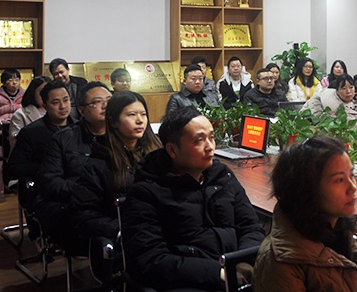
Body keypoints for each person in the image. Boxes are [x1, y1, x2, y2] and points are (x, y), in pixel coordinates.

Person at [123, 106, 265, 291]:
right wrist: (217, 273)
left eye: (211, 137)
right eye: (199, 140)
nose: (210, 147)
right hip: (188, 282)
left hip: (235, 272)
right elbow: (149, 259)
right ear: (172, 150)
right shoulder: (146, 192)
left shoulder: (222, 176)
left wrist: (243, 261)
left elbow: (251, 227)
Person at [254, 136, 357, 291]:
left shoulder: (356, 232)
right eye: (339, 180)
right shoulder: (280, 262)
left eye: (351, 175)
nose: (353, 187)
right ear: (306, 190)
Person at [73, 91, 161, 241]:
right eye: (132, 115)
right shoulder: (100, 161)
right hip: (128, 238)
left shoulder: (156, 154)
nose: (140, 120)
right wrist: (121, 229)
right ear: (113, 122)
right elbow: (85, 214)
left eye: (143, 114)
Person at [35, 81, 111, 240]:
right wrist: (87, 189)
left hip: (112, 203)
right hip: (77, 205)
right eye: (97, 102)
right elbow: (50, 183)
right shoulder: (62, 139)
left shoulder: (123, 134)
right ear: (82, 110)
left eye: (109, 100)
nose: (105, 106)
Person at [7, 80, 75, 182]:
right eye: (56, 102)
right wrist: (48, 167)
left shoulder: (80, 128)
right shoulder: (31, 132)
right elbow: (14, 168)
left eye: (66, 100)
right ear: (45, 106)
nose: (63, 106)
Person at [306, 74, 357, 140]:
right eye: (344, 88)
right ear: (337, 91)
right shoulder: (332, 107)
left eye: (351, 87)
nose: (348, 91)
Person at [8, 75, 51, 148]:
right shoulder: (20, 115)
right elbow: (16, 143)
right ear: (33, 93)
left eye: (49, 91)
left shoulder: (57, 112)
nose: (46, 95)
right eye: (42, 92)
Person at [0, 68, 25, 144]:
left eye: (17, 80)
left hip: (20, 127)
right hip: (1, 130)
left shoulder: (25, 95)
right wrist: (3, 122)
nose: (14, 82)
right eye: (10, 80)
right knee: (8, 139)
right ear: (3, 82)